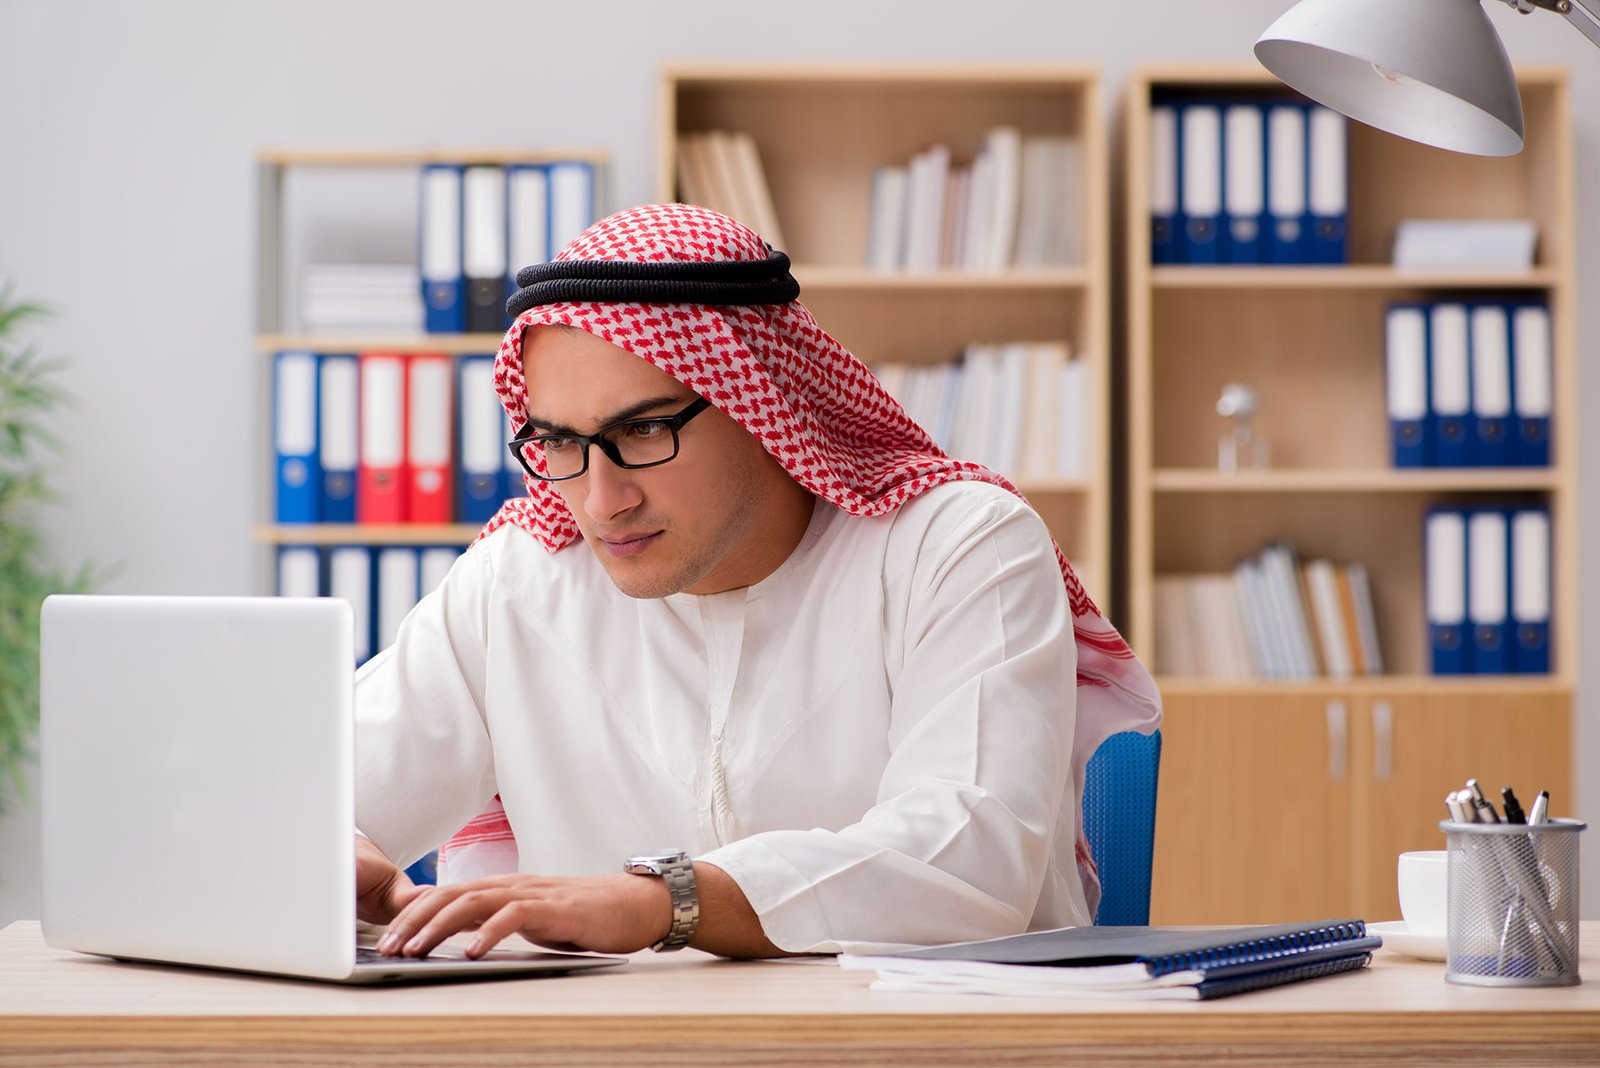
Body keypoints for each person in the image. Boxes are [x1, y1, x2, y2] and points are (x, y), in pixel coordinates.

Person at [354, 203, 1160, 961]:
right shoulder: (518, 585)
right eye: (559, 443)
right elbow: (318, 790)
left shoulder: (956, 547)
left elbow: (970, 859)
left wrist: (663, 902)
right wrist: (317, 847)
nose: (602, 500)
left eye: (642, 429)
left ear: (761, 398)